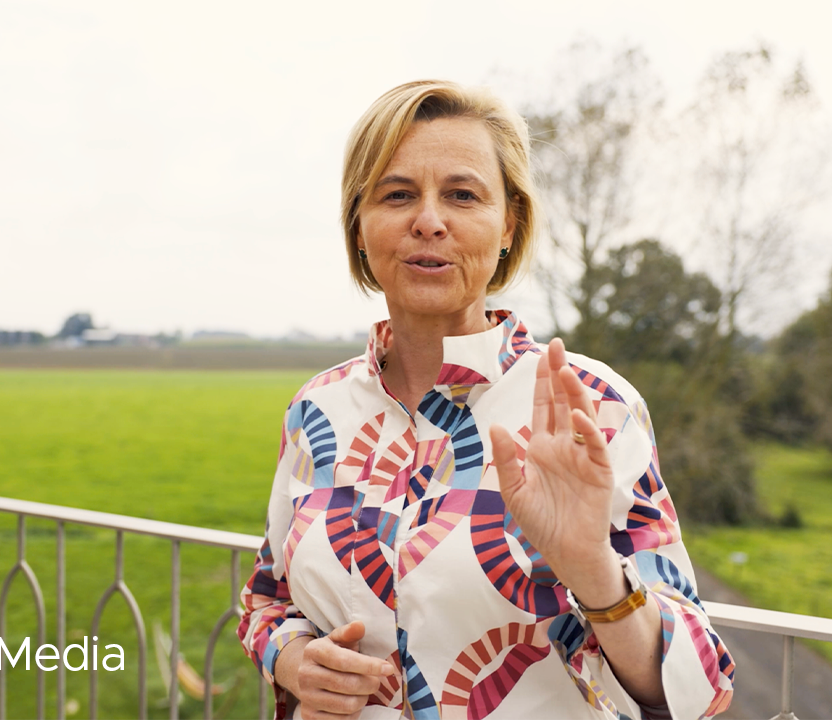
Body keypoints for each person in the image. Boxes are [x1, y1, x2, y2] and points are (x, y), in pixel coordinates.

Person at [238, 79, 734, 720]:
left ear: (509, 225)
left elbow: (699, 689)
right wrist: (293, 660)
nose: (428, 220)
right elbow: (267, 599)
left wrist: (592, 568)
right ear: (359, 225)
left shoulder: (591, 406)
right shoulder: (316, 410)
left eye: (462, 195)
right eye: (397, 194)